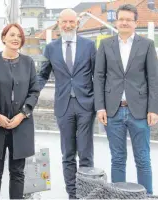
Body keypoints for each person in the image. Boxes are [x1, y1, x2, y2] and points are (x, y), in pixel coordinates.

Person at [94, 4, 158, 194]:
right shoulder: (105, 45)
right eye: (121, 19)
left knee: (143, 159)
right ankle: (119, 197)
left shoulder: (146, 45)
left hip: (139, 111)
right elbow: (99, 77)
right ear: (116, 21)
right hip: (113, 111)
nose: (124, 22)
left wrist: (153, 109)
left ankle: (146, 197)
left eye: (128, 19)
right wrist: (100, 107)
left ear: (135, 22)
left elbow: (153, 79)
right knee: (118, 159)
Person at [37, 9, 96, 199]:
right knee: (68, 154)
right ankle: (73, 194)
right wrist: (28, 95)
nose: (68, 25)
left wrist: (100, 103)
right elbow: (42, 75)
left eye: (72, 22)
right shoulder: (51, 48)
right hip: (63, 106)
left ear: (77, 23)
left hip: (86, 104)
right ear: (58, 23)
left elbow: (98, 76)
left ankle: (86, 194)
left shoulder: (89, 46)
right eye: (65, 22)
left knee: (86, 154)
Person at [0, 23, 40, 199]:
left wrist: (22, 114)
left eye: (19, 36)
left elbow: (34, 91)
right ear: (3, 38)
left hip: (21, 125)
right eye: (12, 35)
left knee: (18, 173)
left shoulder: (28, 62)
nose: (16, 38)